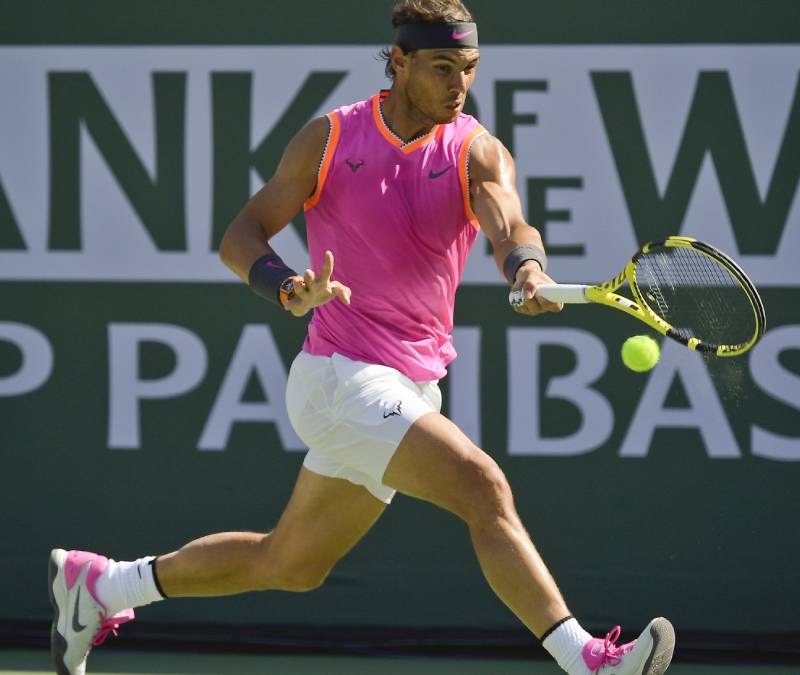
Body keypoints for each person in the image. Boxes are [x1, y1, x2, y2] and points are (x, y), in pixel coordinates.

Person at [48, 1, 674, 673]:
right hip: (339, 377)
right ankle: (589, 660)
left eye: (467, 69)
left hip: (410, 387)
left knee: (290, 562)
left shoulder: (475, 149)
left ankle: (102, 585)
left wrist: (526, 267)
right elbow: (240, 237)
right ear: (399, 62)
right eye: (441, 68)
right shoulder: (331, 139)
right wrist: (289, 288)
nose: (457, 85)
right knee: (481, 485)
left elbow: (508, 223)